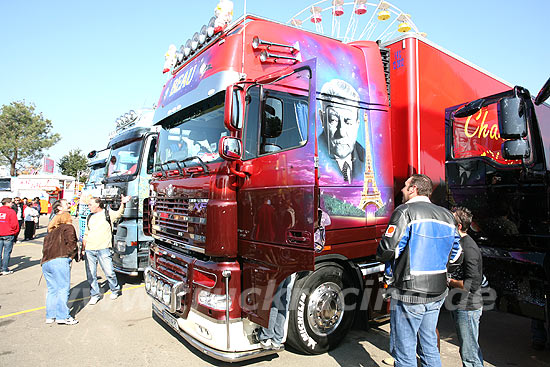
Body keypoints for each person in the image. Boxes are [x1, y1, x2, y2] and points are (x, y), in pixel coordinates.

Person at [377, 174, 462, 367]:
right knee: (429, 345)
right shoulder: (447, 215)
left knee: (405, 351)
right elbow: (457, 254)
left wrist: (382, 253)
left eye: (405, 187)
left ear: (413, 189)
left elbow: (389, 249)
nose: (401, 190)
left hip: (409, 291)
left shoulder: (404, 212)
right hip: (438, 290)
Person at [448, 207, 484, 367]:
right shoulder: (458, 243)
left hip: (468, 307)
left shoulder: (469, 248)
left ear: (459, 226)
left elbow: (472, 284)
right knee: (469, 350)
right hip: (460, 305)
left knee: (469, 355)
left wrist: (449, 281)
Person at [83, 195, 130, 304]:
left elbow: (119, 213)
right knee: (91, 274)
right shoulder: (89, 217)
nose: (88, 206)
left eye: (90, 204)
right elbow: (86, 233)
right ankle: (94, 294)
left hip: (103, 249)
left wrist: (123, 203)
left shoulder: (107, 214)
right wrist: (83, 248)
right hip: (90, 249)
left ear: (97, 204)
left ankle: (115, 289)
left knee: (109, 272)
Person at [318, 79, 365, 184]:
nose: (341, 132)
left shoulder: (366, 157)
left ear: (357, 123)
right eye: (333, 120)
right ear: (322, 118)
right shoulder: (309, 157)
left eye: (348, 122)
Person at [41, 212, 79, 325]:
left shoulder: (51, 232)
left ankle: (50, 315)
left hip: (46, 262)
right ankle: (62, 316)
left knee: (52, 290)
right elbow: (72, 242)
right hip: (60, 259)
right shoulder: (68, 227)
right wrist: (72, 255)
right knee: (63, 289)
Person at [258, 275, 294, 350]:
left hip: (279, 266)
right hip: (292, 267)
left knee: (272, 299)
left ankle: (266, 336)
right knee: (283, 299)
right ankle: (277, 338)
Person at [0, 198, 19, 275]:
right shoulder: (11, 212)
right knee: (6, 253)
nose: (12, 204)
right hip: (8, 234)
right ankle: (4, 269)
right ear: (7, 203)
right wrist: (15, 232)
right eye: (11, 202)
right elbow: (14, 224)